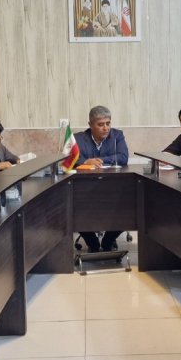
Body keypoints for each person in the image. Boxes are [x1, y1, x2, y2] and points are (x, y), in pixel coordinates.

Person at [74, 106, 128, 252]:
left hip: (112, 186)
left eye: (108, 123)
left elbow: (123, 157)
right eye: (100, 124)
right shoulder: (78, 139)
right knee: (72, 207)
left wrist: (100, 160)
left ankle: (108, 240)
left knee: (128, 207)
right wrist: (86, 162)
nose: (106, 128)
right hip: (85, 188)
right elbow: (70, 158)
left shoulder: (117, 136)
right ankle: (92, 242)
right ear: (90, 125)